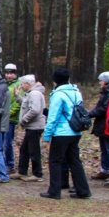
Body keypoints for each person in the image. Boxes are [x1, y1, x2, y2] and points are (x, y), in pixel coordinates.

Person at [41, 67, 91, 199]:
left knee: (55, 161)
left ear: (55, 80)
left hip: (62, 132)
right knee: (75, 161)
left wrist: (47, 135)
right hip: (75, 131)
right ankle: (83, 190)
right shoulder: (76, 92)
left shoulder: (58, 94)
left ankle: (54, 191)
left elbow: (53, 116)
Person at [16, 74, 46, 182]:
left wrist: (24, 119)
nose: (21, 86)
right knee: (24, 149)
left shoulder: (35, 94)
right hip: (31, 126)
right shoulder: (31, 93)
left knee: (34, 150)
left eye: (22, 84)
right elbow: (26, 104)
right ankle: (22, 171)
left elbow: (35, 110)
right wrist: (17, 96)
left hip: (35, 126)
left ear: (28, 84)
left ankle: (37, 174)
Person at [88, 71, 109, 180]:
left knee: (108, 149)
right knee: (105, 149)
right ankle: (105, 170)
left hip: (107, 124)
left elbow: (104, 109)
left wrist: (89, 114)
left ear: (106, 81)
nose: (100, 82)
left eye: (101, 80)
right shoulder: (107, 91)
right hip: (103, 124)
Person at [3, 63, 20, 174]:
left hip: (10, 119)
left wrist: (8, 113)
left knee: (7, 143)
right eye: (7, 73)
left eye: (11, 73)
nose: (9, 75)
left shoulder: (18, 85)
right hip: (2, 118)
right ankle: (4, 163)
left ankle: (10, 164)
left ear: (15, 74)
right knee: (3, 142)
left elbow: (18, 103)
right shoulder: (4, 84)